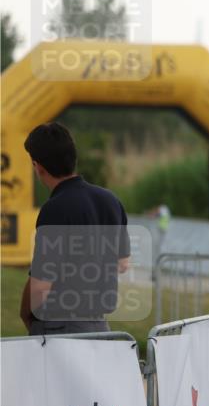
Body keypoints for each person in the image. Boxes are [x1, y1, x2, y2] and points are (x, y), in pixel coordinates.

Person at [19, 122, 130, 336]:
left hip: (60, 329)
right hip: (101, 327)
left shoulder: (54, 209)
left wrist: (25, 313)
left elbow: (41, 286)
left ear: (37, 166)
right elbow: (122, 263)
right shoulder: (110, 200)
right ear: (73, 157)